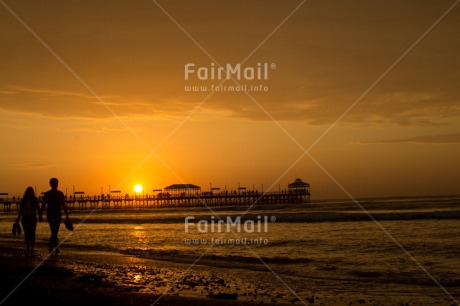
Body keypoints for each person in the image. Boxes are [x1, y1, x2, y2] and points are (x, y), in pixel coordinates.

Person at [41, 178, 69, 254]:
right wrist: (41, 214)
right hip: (52, 214)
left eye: (56, 183)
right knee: (54, 231)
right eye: (54, 183)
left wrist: (67, 215)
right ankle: (55, 247)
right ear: (51, 184)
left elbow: (63, 205)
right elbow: (43, 205)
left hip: (56, 214)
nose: (55, 185)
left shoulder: (59, 194)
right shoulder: (49, 194)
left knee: (54, 231)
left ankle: (52, 246)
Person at [16, 187, 40, 256]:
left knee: (32, 233)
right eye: (28, 191)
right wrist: (18, 218)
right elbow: (21, 210)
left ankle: (32, 247)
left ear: (32, 192)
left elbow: (38, 208)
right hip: (25, 218)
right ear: (26, 192)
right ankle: (28, 247)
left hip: (32, 217)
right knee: (26, 233)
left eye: (31, 191)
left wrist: (40, 216)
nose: (29, 193)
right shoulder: (23, 200)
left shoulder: (35, 200)